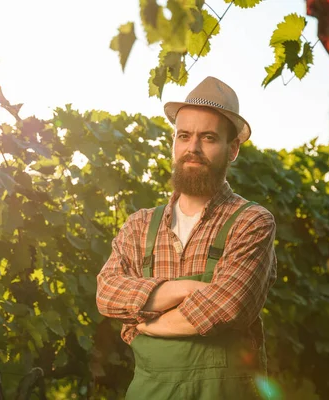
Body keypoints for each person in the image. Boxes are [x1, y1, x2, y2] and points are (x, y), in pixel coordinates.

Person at [96, 76, 278, 399]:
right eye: (184, 136)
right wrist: (187, 289)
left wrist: (147, 322)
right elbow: (107, 293)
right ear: (174, 142)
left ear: (232, 149)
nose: (192, 148)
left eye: (208, 137)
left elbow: (228, 307)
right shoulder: (140, 226)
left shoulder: (251, 222)